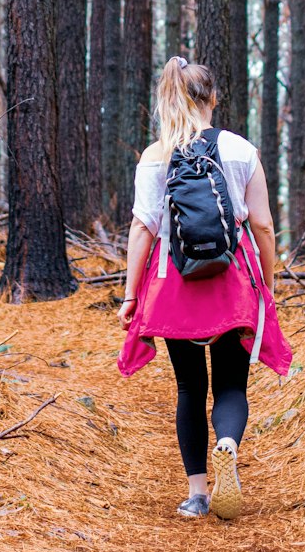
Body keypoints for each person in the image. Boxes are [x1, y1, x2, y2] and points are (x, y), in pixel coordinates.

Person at [117, 56, 292, 520]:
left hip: (173, 282)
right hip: (233, 281)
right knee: (232, 383)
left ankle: (197, 494)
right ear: (213, 98)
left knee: (190, 388)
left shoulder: (155, 156)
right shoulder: (239, 149)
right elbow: (263, 226)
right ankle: (229, 444)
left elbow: (142, 230)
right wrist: (266, 287)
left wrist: (132, 295)